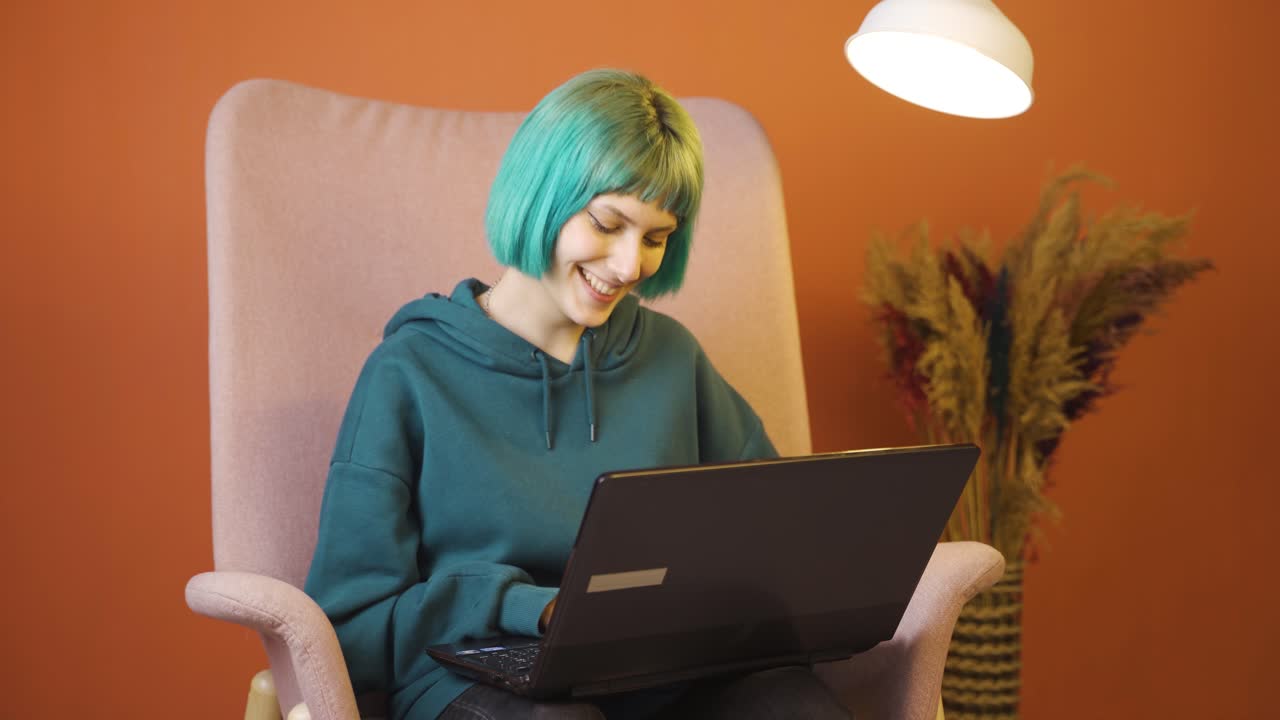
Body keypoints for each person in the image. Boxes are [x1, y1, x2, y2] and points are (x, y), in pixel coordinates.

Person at [304, 69, 851, 720]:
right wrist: (531, 607)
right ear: (541, 194)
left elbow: (775, 530)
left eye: (655, 238)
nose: (627, 266)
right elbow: (351, 627)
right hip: (476, 681)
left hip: (665, 674)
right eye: (607, 223)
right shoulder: (409, 372)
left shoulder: (673, 358)